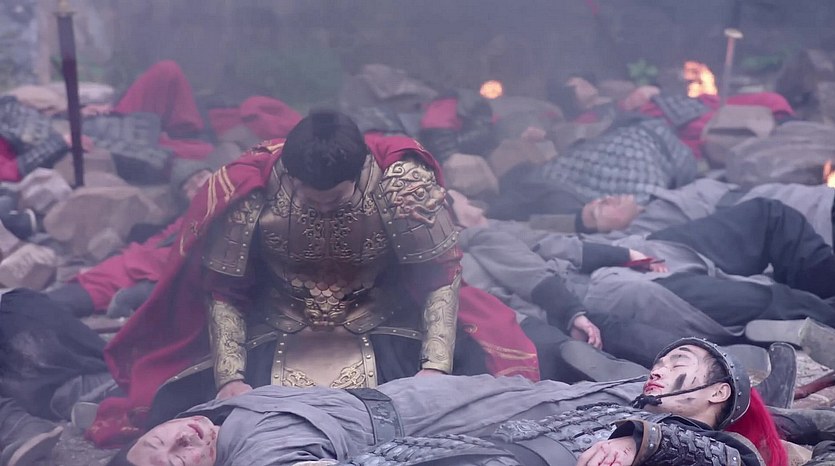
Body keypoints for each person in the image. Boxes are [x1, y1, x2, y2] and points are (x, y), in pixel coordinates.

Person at [89, 110, 538, 447]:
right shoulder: (250, 193)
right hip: (277, 326)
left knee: (470, 396)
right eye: (311, 200)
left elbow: (438, 276)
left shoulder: (401, 184)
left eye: (335, 201)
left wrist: (434, 368)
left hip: (382, 322)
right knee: (180, 409)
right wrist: (230, 379)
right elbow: (225, 290)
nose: (323, 209)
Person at [107, 338, 786, 466]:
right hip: (419, 423)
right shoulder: (256, 448)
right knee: (561, 403)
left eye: (164, 436)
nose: (182, 440)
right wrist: (641, 439)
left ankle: (782, 410)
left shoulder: (221, 415)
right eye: (174, 460)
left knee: (569, 388)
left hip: (413, 402)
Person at [453, 190, 835, 366]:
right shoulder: (462, 252)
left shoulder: (503, 223)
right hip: (614, 289)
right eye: (461, 200)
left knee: (767, 217)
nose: (473, 201)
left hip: (639, 250)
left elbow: (557, 234)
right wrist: (571, 310)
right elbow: (526, 279)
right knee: (767, 302)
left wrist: (612, 242)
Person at [46, 159, 213, 317]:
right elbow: (158, 241)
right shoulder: (189, 218)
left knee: (54, 305)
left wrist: (144, 291)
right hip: (129, 268)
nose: (199, 186)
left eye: (201, 177)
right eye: (189, 187)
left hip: (140, 278)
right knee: (51, 301)